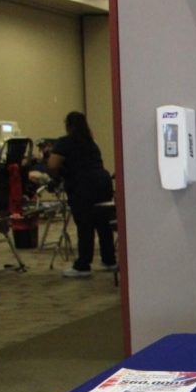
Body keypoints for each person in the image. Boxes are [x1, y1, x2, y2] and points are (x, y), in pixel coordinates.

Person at [48, 111, 116, 278]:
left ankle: (83, 265)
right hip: (103, 182)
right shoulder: (91, 143)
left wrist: (57, 175)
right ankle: (109, 260)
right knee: (103, 223)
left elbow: (53, 164)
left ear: (68, 125)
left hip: (83, 185)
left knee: (85, 225)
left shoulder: (65, 142)